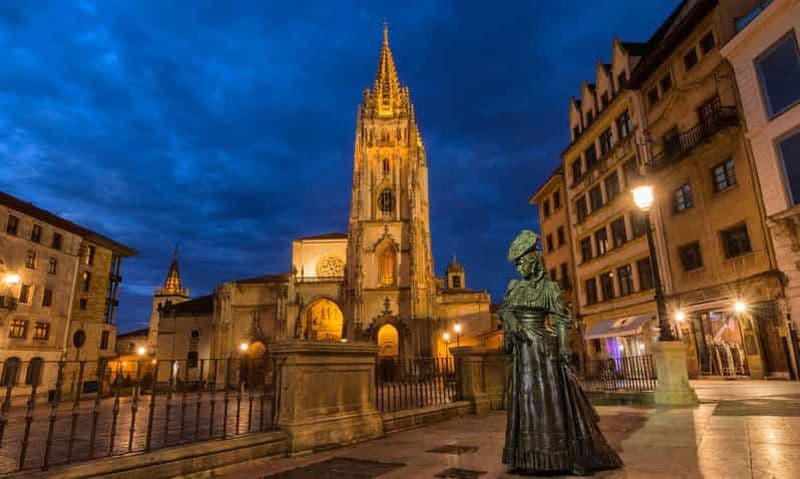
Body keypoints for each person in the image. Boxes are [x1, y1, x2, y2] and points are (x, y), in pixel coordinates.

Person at [500, 230, 622, 475]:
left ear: (534, 261)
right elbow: (505, 310)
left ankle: (561, 455)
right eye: (517, 263)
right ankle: (527, 455)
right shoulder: (516, 288)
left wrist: (564, 349)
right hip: (524, 352)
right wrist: (513, 324)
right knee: (527, 401)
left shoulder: (549, 289)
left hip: (543, 351)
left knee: (549, 401)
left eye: (522, 262)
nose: (520, 267)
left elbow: (561, 320)